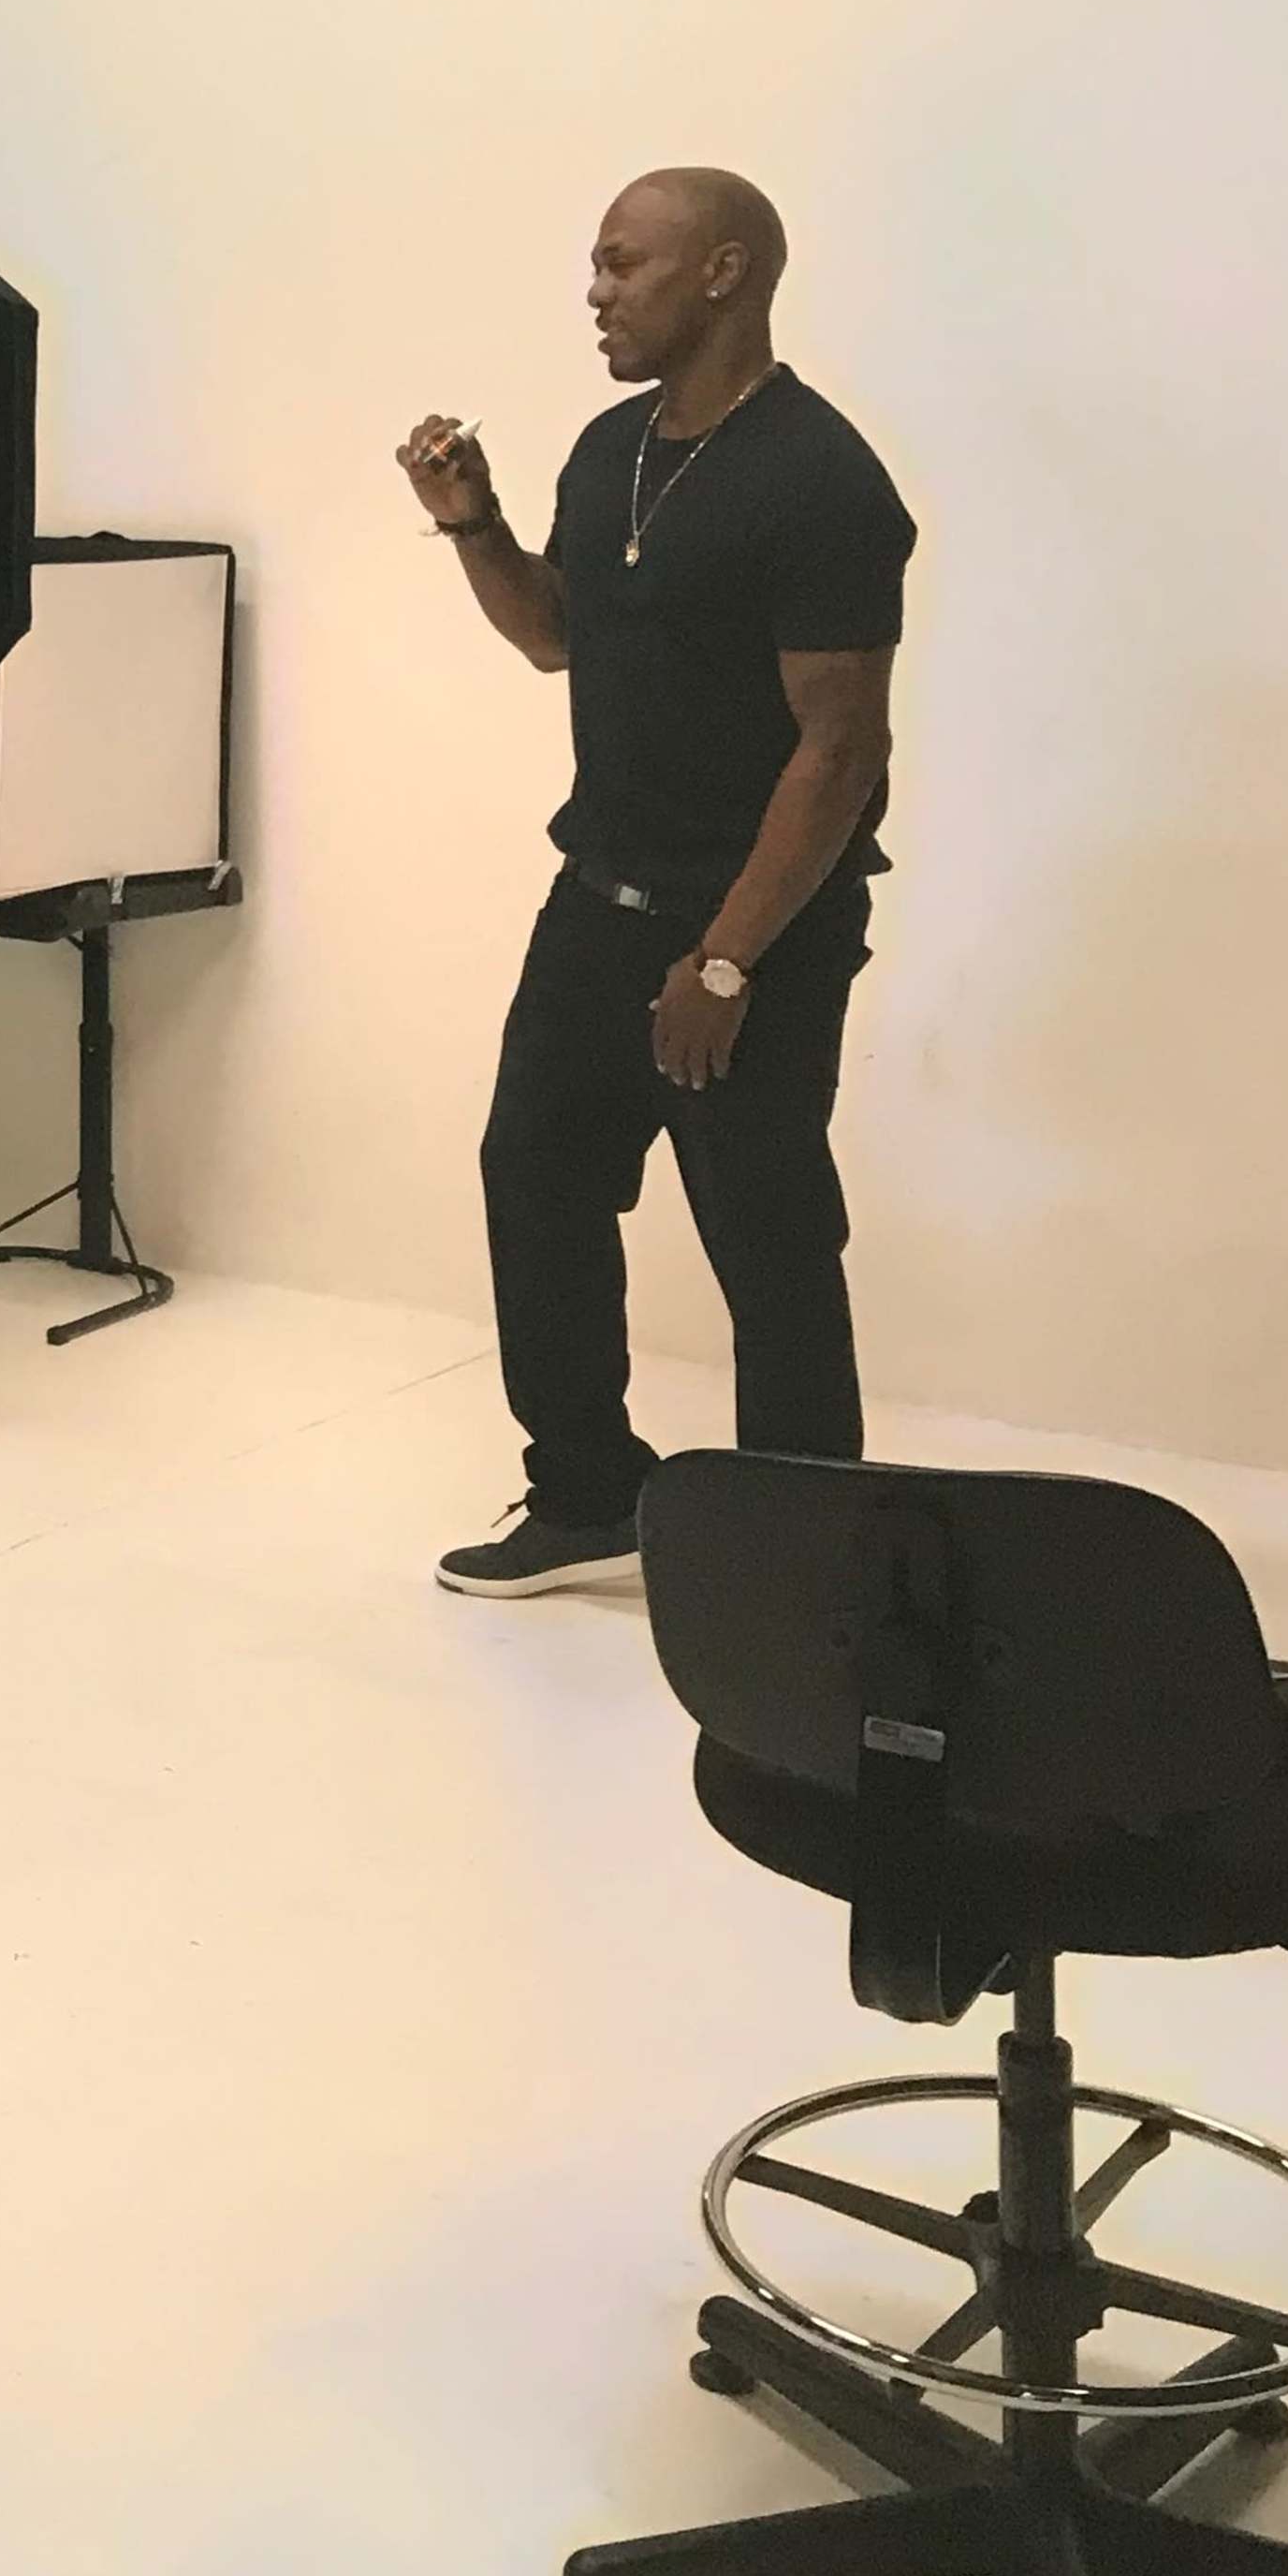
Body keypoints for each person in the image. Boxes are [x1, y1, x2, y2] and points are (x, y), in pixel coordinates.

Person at [400, 168, 915, 1600]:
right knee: (536, 1176)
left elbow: (840, 747)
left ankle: (808, 1555)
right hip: (599, 901)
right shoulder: (609, 449)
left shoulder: (821, 480)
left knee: (768, 1235)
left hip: (758, 930)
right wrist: (473, 523)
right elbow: (556, 636)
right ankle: (587, 1493)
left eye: (624, 264)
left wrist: (728, 959)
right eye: (598, 264)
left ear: (723, 272)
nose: (597, 292)